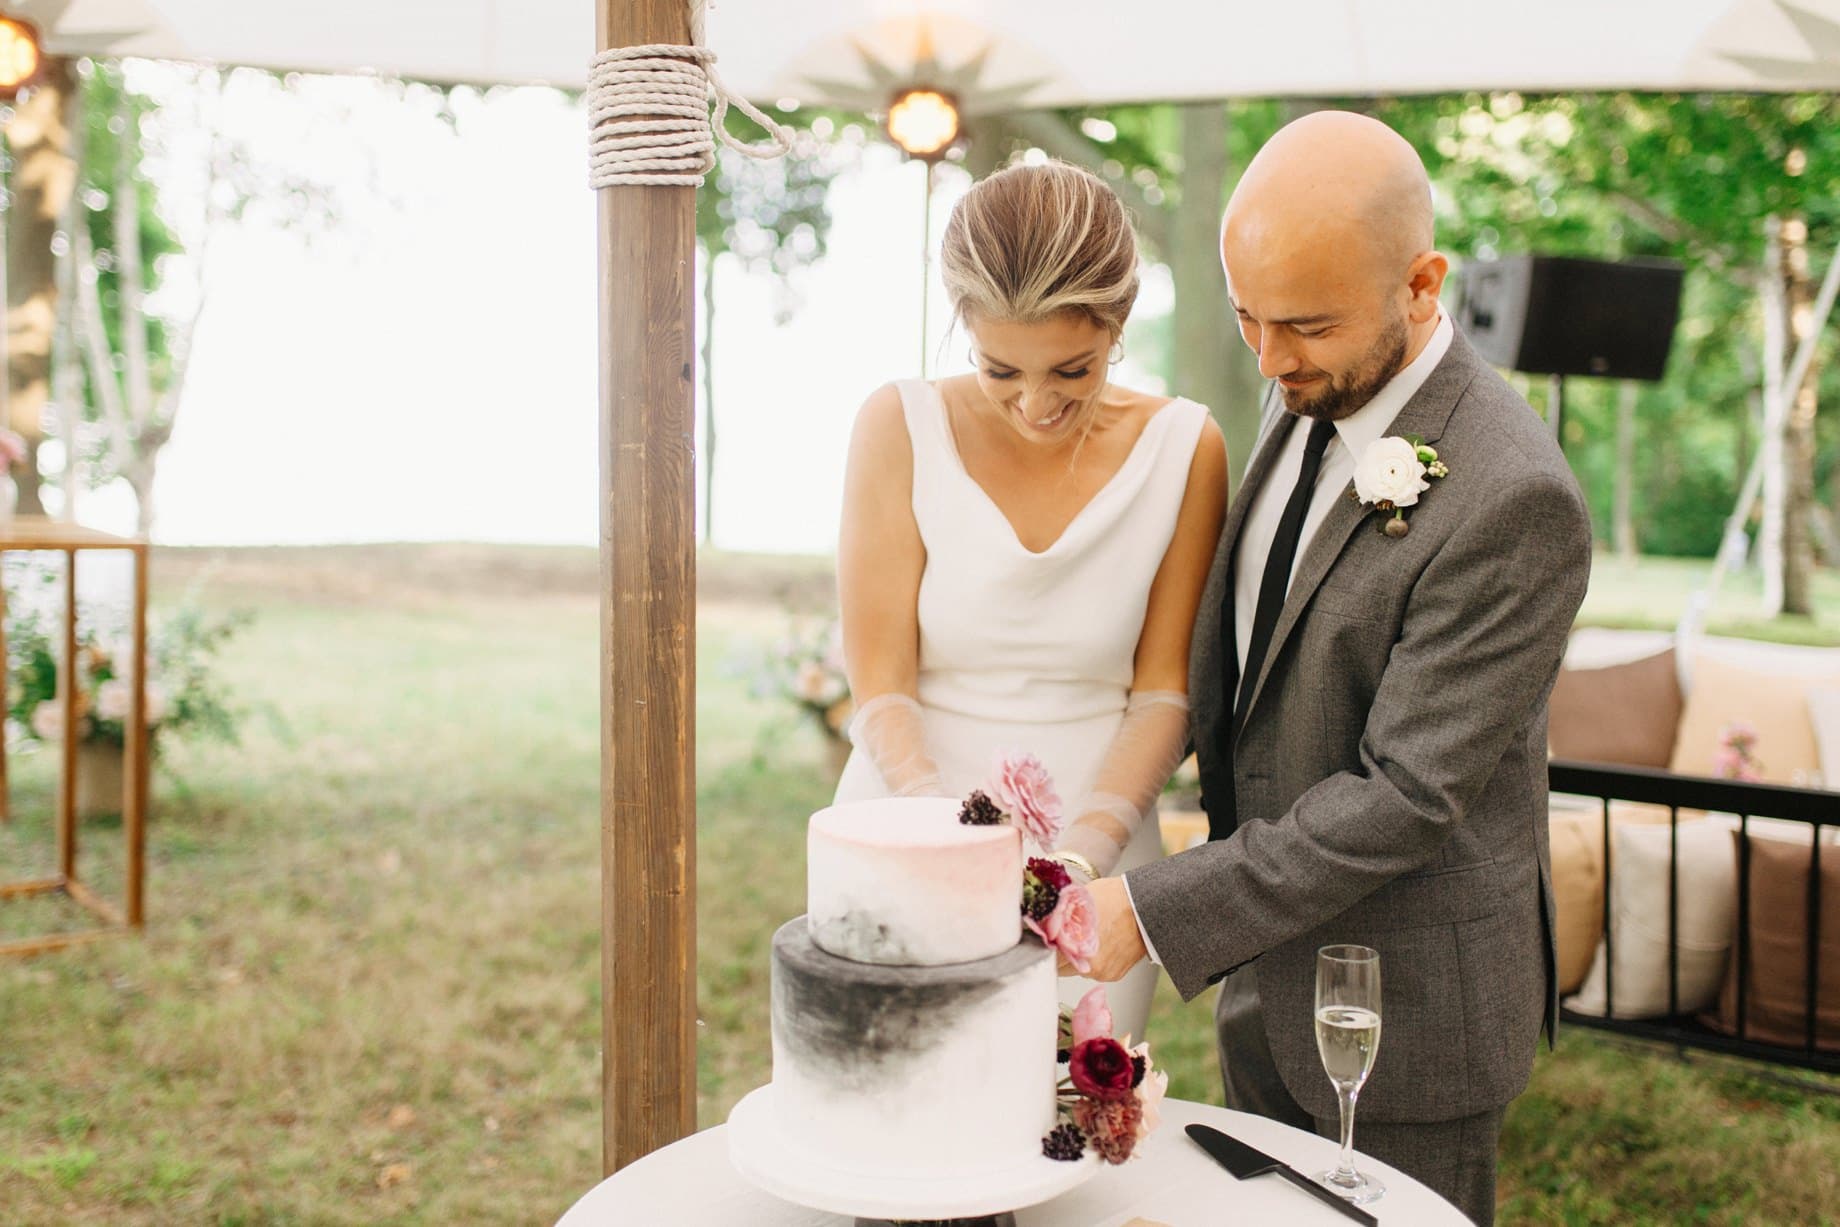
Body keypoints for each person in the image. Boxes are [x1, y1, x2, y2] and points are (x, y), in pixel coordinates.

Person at [1079, 112, 1593, 1225]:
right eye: (1245, 318)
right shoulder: (1308, 381)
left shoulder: (1515, 497)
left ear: (1421, 284)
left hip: (1407, 1014)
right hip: (1265, 975)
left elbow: (1408, 795)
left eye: (1303, 323)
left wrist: (1161, 909)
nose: (1269, 359)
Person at [833, 159, 1227, 1044]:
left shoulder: (1185, 447)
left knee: (1062, 1117)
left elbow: (1164, 692)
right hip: (902, 816)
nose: (1036, 403)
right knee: (890, 1105)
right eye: (999, 369)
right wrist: (941, 834)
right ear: (963, 326)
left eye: (1073, 370)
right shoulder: (898, 425)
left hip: (1099, 841)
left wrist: (1079, 858)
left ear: (1119, 325)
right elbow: (882, 683)